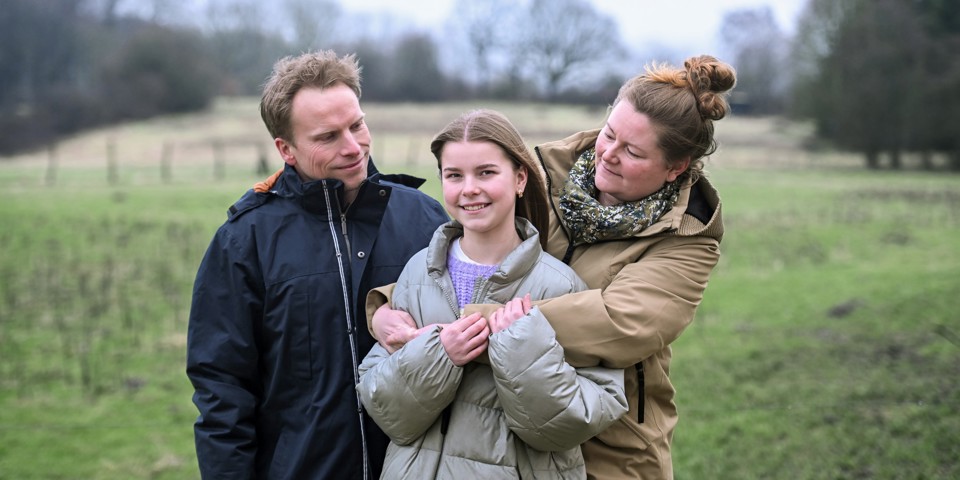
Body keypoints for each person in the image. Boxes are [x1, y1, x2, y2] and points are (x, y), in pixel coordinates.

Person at [368, 55, 736, 479]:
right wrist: (386, 306)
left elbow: (618, 323)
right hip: (506, 437)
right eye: (609, 134)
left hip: (612, 447)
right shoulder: (546, 179)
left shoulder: (687, 239)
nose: (608, 155)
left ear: (675, 167)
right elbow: (469, 254)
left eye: (632, 151)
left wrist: (468, 326)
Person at [185, 50, 449, 480]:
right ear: (286, 149)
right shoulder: (243, 241)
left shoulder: (425, 218)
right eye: (328, 137)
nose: (353, 147)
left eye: (357, 125)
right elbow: (222, 394)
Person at [356, 109, 629, 478]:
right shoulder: (417, 273)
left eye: (486, 172)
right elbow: (385, 410)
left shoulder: (561, 286)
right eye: (454, 175)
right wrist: (439, 355)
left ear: (519, 178)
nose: (469, 188)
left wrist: (520, 352)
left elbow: (574, 424)